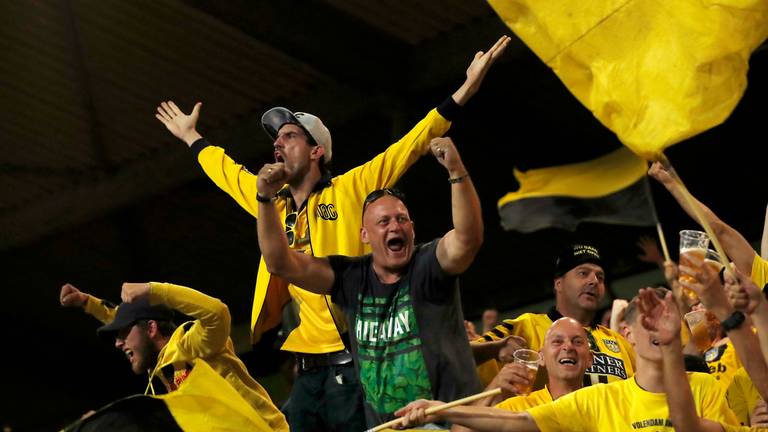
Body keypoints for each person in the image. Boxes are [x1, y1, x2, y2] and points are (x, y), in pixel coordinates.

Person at [155, 35, 510, 431]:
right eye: (276, 139)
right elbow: (225, 172)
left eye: (288, 136)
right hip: (305, 368)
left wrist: (464, 90)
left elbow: (411, 143)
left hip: (354, 360)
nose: (277, 144)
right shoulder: (271, 200)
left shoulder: (352, 188)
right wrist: (191, 136)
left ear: (315, 151)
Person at [255, 136, 482, 426]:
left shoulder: (429, 264)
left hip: (448, 422)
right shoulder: (351, 277)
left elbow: (467, 239)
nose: (395, 226)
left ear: (412, 228)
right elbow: (279, 262)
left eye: (401, 219)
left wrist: (456, 171)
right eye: (384, 222)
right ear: (365, 235)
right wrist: (264, 199)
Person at [394, 287, 739, 431]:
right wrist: (440, 407)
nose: (656, 328)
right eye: (645, 321)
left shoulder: (705, 387)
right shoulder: (599, 400)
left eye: (665, 321)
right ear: (627, 335)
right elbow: (519, 422)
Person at [59, 282, 288, 431]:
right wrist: (88, 303)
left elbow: (217, 313)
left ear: (151, 329)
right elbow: (130, 320)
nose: (118, 343)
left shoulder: (194, 345)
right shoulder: (160, 371)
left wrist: (154, 291)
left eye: (122, 334)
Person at [473, 244, 636, 389]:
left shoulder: (619, 342)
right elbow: (459, 357)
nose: (594, 281)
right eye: (583, 273)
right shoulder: (525, 327)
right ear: (559, 284)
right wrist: (495, 348)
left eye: (600, 277)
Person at [648, 162, 768, 290]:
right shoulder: (764, 278)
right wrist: (670, 184)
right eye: (731, 283)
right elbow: (719, 230)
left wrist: (671, 184)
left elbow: (719, 230)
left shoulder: (762, 279)